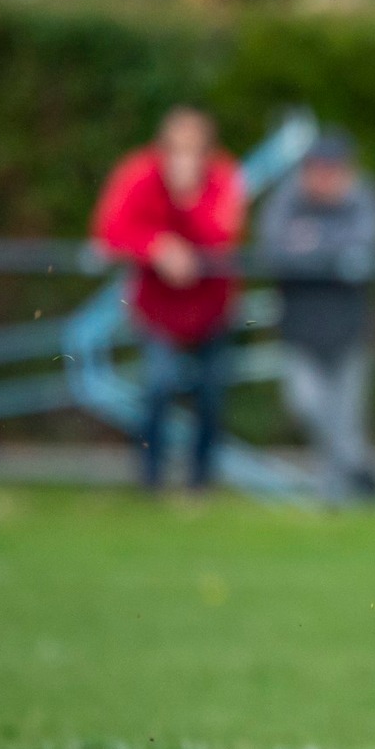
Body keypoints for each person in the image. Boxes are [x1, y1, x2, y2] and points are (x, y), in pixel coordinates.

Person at [91, 107, 245, 492]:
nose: (183, 158)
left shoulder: (224, 178)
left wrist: (187, 199)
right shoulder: (138, 173)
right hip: (156, 308)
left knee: (210, 393)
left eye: (193, 149)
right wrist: (156, 247)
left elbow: (222, 236)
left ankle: (200, 482)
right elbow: (110, 230)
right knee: (158, 386)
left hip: (212, 308)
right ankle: (151, 480)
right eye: (176, 148)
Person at [258, 129, 375, 503]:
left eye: (333, 169)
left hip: (351, 330)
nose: (325, 177)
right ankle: (361, 468)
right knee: (306, 404)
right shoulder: (288, 199)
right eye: (318, 168)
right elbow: (273, 249)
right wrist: (330, 254)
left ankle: (336, 495)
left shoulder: (362, 197)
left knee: (347, 415)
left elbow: (364, 249)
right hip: (299, 329)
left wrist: (311, 244)